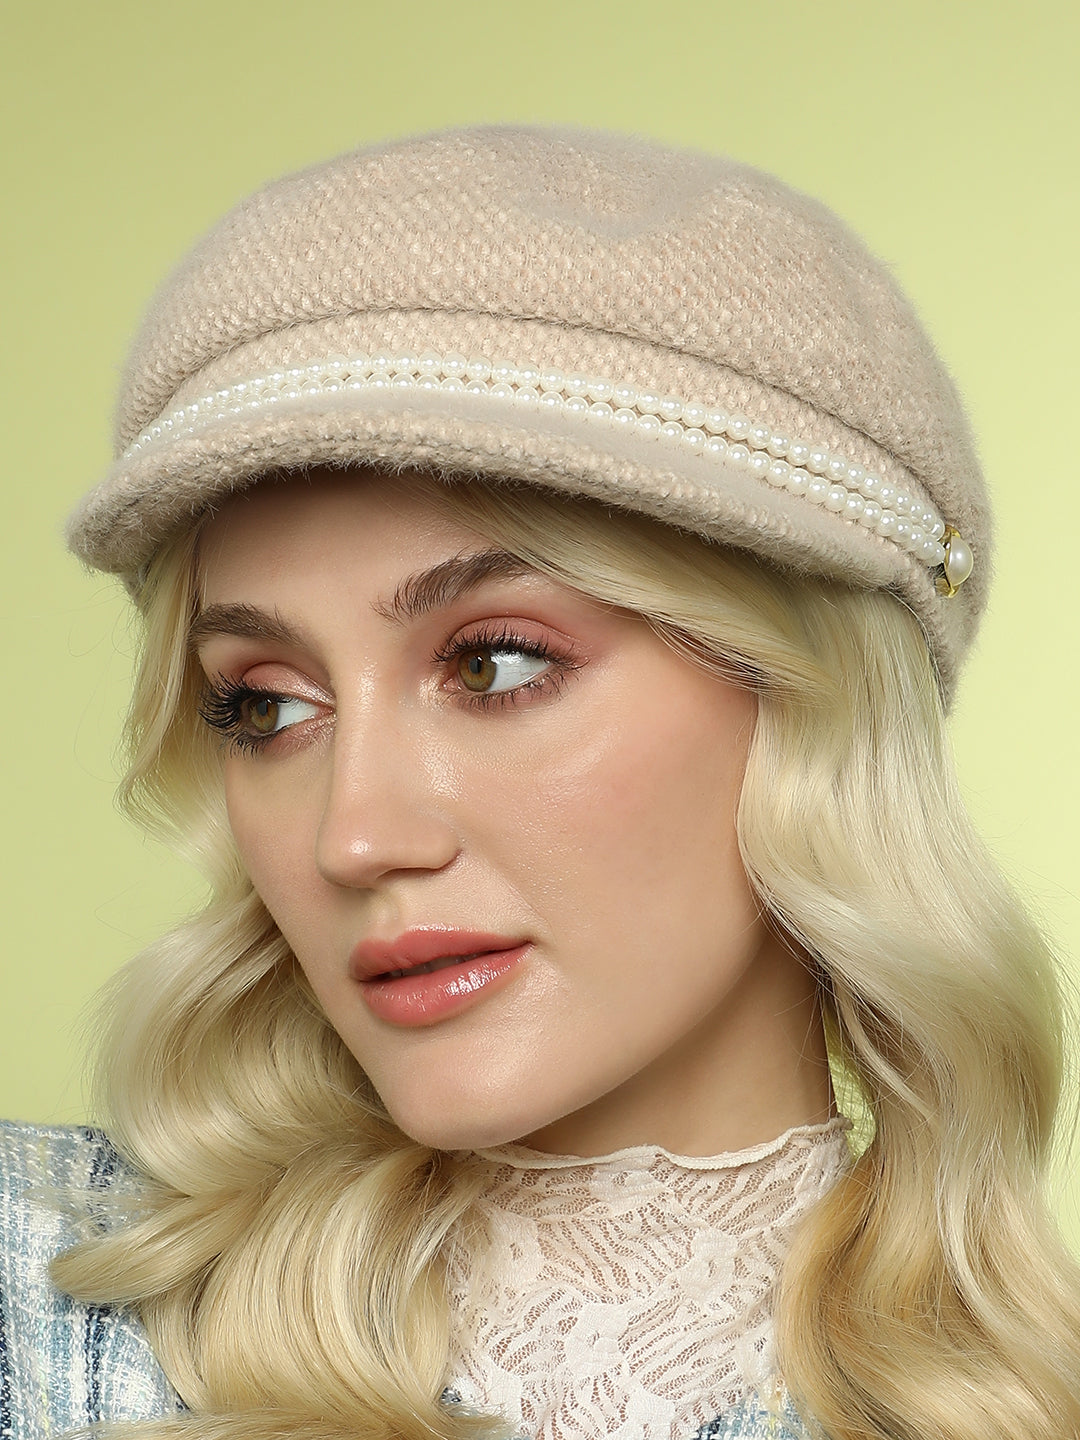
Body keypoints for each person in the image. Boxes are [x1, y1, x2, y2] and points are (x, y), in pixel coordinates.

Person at [1, 124, 1077, 1440]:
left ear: (811, 699)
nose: (355, 837)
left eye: (495, 664)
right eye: (267, 706)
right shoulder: (38, 1296)